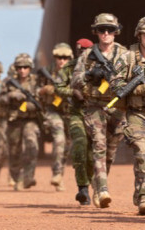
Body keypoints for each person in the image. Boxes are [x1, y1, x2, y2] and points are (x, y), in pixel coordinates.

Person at [71, 13, 127, 208]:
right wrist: (89, 75)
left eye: (110, 30)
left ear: (116, 32)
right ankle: (103, 189)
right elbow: (74, 80)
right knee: (99, 146)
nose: (106, 33)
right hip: (94, 106)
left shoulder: (124, 54)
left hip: (117, 107)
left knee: (110, 152)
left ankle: (98, 183)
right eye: (102, 30)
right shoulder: (88, 55)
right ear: (95, 32)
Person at [110, 16, 145, 215]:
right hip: (136, 113)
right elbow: (115, 84)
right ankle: (144, 196)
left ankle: (140, 187)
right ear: (139, 36)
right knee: (140, 153)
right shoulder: (127, 57)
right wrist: (138, 90)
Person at [55, 38, 95, 205]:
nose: (83, 55)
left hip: (96, 114)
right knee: (79, 146)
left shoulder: (99, 67)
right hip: (76, 114)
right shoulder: (69, 67)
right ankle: (82, 188)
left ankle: (92, 183)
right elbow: (58, 86)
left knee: (93, 155)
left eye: (87, 51)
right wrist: (73, 92)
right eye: (81, 51)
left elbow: (112, 85)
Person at [0, 53, 41, 191]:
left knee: (31, 144)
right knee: (14, 151)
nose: (22, 70)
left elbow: (41, 102)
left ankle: (28, 176)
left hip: (30, 120)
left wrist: (28, 105)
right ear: (16, 68)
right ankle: (17, 178)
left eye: (25, 67)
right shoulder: (8, 82)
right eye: (19, 67)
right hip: (14, 121)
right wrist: (10, 96)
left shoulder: (36, 81)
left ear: (30, 68)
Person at [37, 42, 73, 191]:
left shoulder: (75, 72)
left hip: (70, 112)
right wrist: (44, 90)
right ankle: (57, 174)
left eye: (65, 57)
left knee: (67, 146)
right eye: (59, 57)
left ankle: (60, 174)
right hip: (53, 111)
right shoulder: (46, 72)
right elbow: (34, 90)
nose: (62, 61)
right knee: (59, 140)